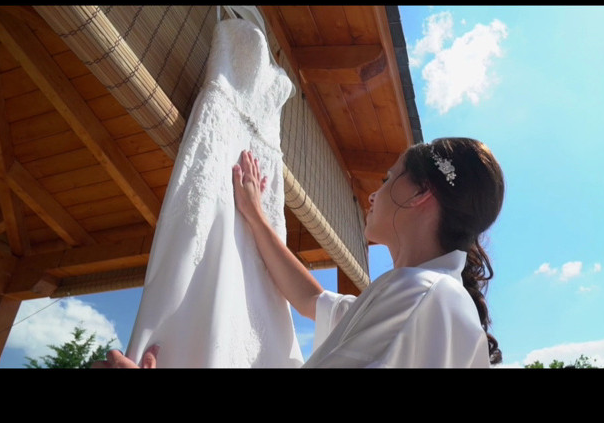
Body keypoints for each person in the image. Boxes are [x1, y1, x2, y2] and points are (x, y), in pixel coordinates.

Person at [94, 137, 505, 368]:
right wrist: (255, 217)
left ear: (419, 193)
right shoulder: (428, 298)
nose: (374, 193)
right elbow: (312, 298)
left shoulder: (421, 294)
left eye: (389, 177)